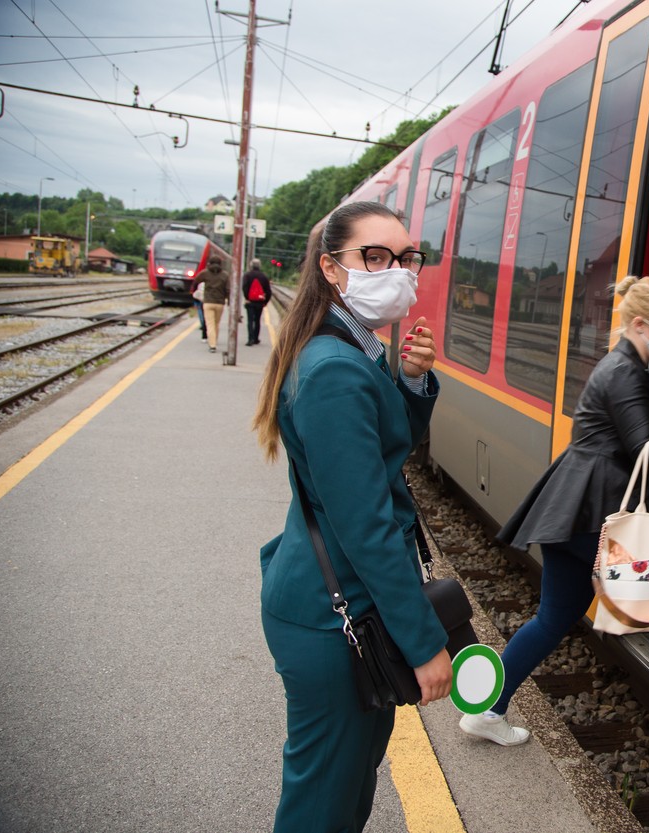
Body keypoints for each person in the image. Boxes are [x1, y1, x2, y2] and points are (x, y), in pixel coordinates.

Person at [459, 275, 649, 747]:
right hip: (593, 509)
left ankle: (488, 711)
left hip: (573, 506)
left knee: (554, 617)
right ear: (640, 324)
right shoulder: (624, 373)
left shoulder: (627, 369)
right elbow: (644, 449)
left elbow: (646, 438)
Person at [252, 200, 450, 832]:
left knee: (345, 785)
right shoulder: (336, 368)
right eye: (375, 256)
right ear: (333, 268)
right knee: (324, 803)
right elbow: (365, 524)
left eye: (406, 257)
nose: (397, 269)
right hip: (332, 617)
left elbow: (383, 454)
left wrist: (412, 381)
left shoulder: (352, 347)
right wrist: (424, 645)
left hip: (344, 608)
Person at [190, 256, 229, 353]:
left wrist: (194, 291)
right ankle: (214, 340)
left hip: (208, 302)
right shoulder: (225, 275)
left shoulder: (205, 273)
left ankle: (212, 345)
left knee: (210, 324)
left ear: (210, 263)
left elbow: (196, 281)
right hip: (220, 303)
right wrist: (228, 300)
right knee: (216, 323)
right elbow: (228, 289)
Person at [242, 258, 272, 346]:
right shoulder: (264, 276)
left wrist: (246, 297)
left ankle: (250, 339)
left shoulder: (247, 275)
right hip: (259, 302)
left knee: (250, 320)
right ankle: (256, 338)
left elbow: (244, 287)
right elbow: (268, 291)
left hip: (250, 302)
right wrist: (265, 301)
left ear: (251, 266)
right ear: (260, 266)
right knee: (257, 320)